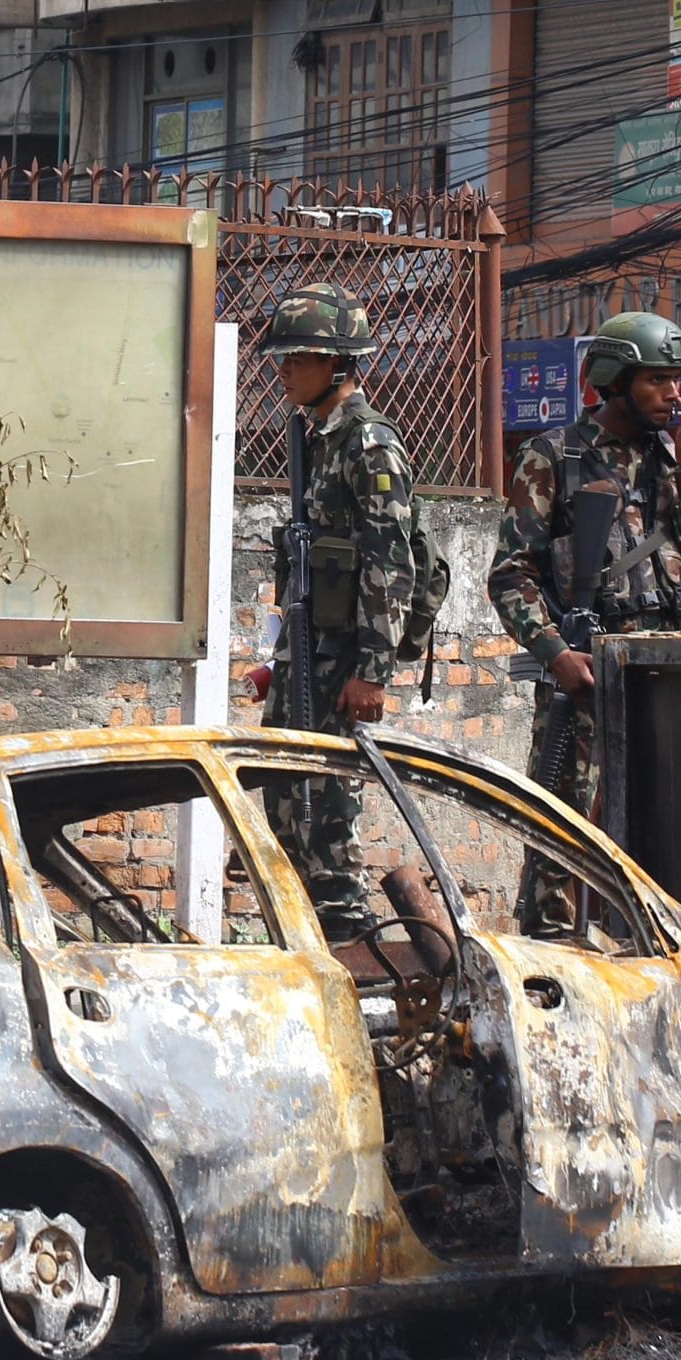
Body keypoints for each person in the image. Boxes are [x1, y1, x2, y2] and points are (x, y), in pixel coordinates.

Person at [489, 310, 681, 934]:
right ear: (615, 380)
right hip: (585, 671)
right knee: (562, 826)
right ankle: (553, 953)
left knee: (666, 823)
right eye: (656, 380)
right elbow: (511, 576)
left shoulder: (672, 462)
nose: (673, 394)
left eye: (676, 380)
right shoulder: (554, 458)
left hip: (663, 669)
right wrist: (557, 655)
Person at [257, 283, 419, 941]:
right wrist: (276, 656)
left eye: (297, 357)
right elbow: (301, 562)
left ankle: (350, 949)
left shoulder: (369, 444)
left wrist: (374, 671)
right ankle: (305, 943)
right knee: (283, 807)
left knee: (327, 816)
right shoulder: (314, 438)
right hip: (304, 653)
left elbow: (390, 562)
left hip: (343, 660)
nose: (284, 370)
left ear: (337, 363)